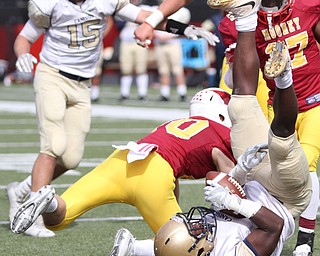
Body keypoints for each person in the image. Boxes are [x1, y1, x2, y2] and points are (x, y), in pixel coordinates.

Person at [6, 0, 219, 238]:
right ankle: (34, 214)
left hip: (82, 83)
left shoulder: (104, 1)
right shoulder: (52, 4)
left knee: (72, 158)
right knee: (53, 145)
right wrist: (23, 53)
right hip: (52, 75)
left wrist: (182, 29)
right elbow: (24, 37)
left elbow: (144, 17)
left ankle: (23, 190)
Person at [115, 0, 312, 255]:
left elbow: (168, 248)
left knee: (240, 106)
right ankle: (284, 77)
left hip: (252, 179)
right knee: (281, 142)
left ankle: (245, 16)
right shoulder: (230, 252)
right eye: (192, 231)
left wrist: (241, 170)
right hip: (286, 198)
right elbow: (273, 227)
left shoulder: (199, 244)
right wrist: (231, 200)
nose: (193, 224)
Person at [10, 86, 239, 245]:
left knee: (59, 218)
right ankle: (134, 248)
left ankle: (47, 200)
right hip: (154, 176)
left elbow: (172, 171)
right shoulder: (219, 132)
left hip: (123, 158)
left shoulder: (173, 123)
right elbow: (229, 175)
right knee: (182, 243)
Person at [218, 1, 320, 254]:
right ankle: (272, 224)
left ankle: (306, 237)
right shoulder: (242, 20)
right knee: (275, 169)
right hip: (278, 105)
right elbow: (235, 78)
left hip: (317, 100)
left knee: (306, 163)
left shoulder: (309, 6)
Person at [153, 6, 191, 102]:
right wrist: (157, 35)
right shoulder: (157, 9)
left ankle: (182, 93)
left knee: (177, 69)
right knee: (163, 70)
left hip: (173, 44)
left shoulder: (182, 11)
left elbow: (183, 27)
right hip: (160, 44)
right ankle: (164, 93)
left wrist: (169, 36)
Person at [118, 0, 151, 102]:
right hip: (126, 42)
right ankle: (124, 93)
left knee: (141, 68)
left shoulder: (145, 8)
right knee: (126, 69)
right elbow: (118, 24)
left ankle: (142, 93)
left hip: (140, 42)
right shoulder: (123, 8)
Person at [91, 16, 115, 102]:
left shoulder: (100, 3)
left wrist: (101, 35)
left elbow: (109, 20)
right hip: (78, 44)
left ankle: (95, 94)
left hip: (95, 44)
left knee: (96, 71)